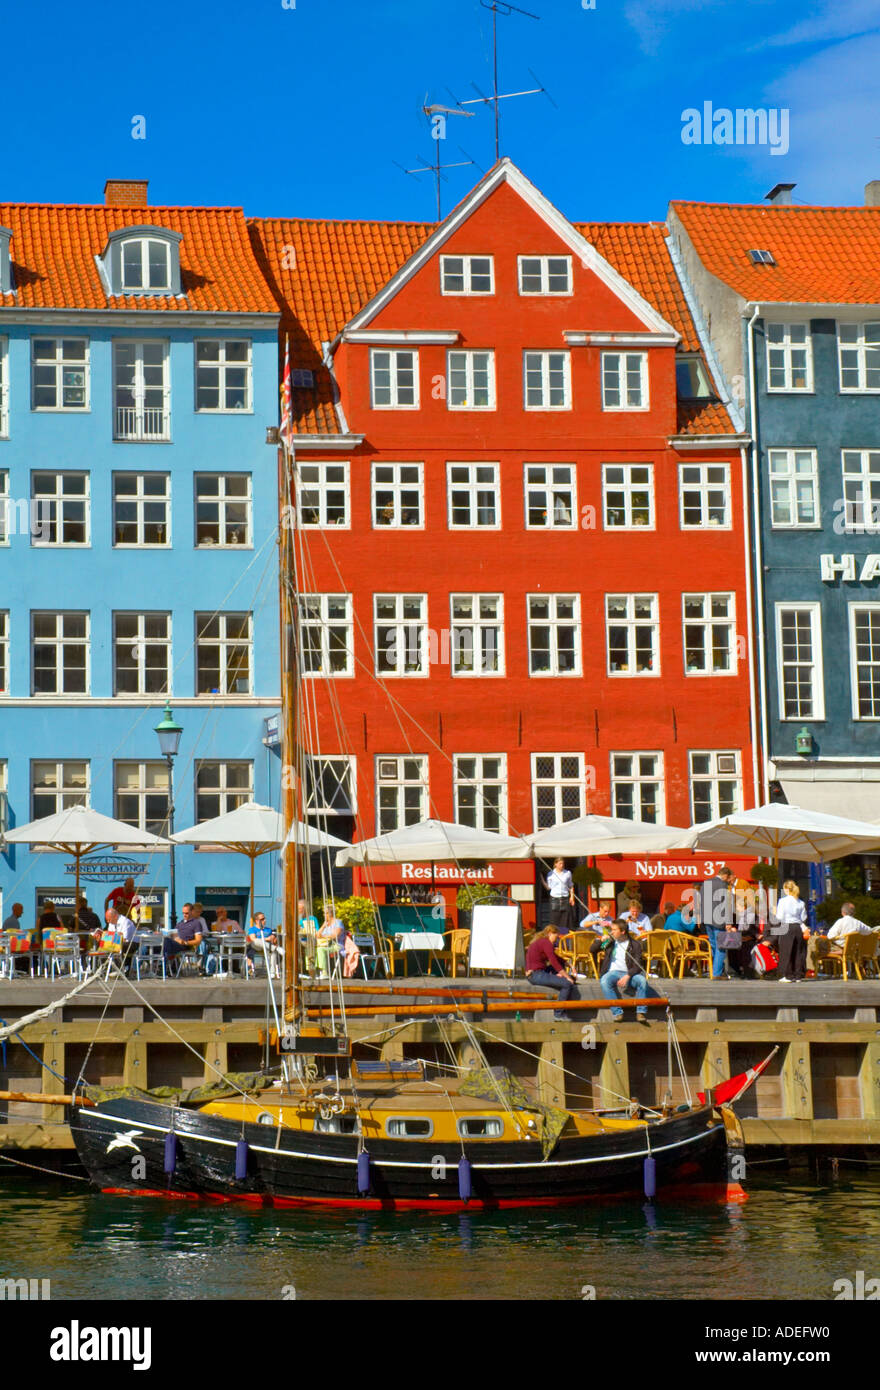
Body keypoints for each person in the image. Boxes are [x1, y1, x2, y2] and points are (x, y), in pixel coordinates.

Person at [590, 921, 657, 1024]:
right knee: (604, 981)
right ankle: (617, 1013)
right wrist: (600, 940)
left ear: (622, 931)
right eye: (611, 930)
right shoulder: (610, 942)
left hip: (629, 973)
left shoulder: (635, 945)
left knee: (642, 981)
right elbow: (593, 950)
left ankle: (641, 1012)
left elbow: (638, 965)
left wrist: (628, 975)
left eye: (614, 930)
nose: (611, 932)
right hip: (612, 972)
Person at [525, 924, 581, 1021]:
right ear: (550, 933)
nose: (557, 939)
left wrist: (570, 965)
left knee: (561, 973)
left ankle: (558, 977)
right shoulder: (546, 943)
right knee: (567, 984)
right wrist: (567, 977)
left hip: (535, 973)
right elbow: (554, 962)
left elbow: (556, 958)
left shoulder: (541, 942)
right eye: (556, 936)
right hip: (536, 974)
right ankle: (558, 1014)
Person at [807, 902, 873, 975]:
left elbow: (830, 936)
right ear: (854, 913)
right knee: (815, 944)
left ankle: (811, 970)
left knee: (813, 941)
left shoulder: (841, 921)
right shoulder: (858, 923)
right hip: (852, 950)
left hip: (839, 948)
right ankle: (819, 970)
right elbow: (869, 931)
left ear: (843, 912)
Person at [697, 864, 737, 979]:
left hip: (707, 919)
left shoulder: (705, 883)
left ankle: (715, 970)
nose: (729, 881)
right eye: (729, 878)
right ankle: (716, 973)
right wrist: (729, 922)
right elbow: (727, 905)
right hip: (719, 920)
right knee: (721, 946)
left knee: (714, 945)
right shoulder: (723, 885)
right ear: (725, 875)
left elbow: (700, 901)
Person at [774, 879, 808, 982]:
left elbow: (779, 917)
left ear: (786, 889)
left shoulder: (783, 901)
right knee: (798, 952)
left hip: (787, 926)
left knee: (786, 951)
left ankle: (788, 975)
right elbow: (803, 917)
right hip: (797, 927)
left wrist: (775, 912)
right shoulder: (800, 902)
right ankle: (798, 975)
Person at [163, 902, 206, 971]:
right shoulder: (180, 923)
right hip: (174, 943)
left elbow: (198, 940)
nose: (184, 915)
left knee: (166, 942)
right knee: (159, 943)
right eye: (183, 913)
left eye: (186, 913)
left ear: (192, 912)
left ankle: (165, 968)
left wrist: (185, 942)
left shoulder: (196, 923)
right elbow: (174, 933)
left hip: (184, 946)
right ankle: (160, 967)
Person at [544, 858, 575, 935]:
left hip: (565, 897)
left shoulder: (567, 873)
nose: (562, 865)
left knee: (566, 919)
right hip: (555, 898)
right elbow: (548, 887)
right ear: (556, 864)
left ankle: (564, 937)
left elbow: (571, 885)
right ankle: (554, 938)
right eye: (560, 863)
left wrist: (572, 897)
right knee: (554, 919)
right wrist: (541, 879)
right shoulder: (550, 874)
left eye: (563, 863)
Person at [105, 906, 138, 973]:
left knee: (119, 946)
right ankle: (107, 969)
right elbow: (108, 936)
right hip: (119, 942)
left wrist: (111, 938)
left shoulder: (125, 922)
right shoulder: (111, 923)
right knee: (104, 946)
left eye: (109, 919)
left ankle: (122, 969)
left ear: (115, 916)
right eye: (107, 920)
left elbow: (124, 939)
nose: (108, 922)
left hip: (133, 943)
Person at [247, 911, 279, 976]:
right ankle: (276, 948)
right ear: (256, 921)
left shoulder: (269, 930)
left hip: (267, 948)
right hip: (256, 947)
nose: (264, 920)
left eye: (264, 918)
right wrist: (267, 939)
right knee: (256, 941)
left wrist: (273, 938)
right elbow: (253, 939)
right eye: (262, 919)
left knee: (273, 952)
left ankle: (272, 972)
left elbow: (274, 940)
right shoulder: (252, 929)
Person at [316, 905, 343, 976]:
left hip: (336, 945)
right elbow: (318, 935)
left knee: (320, 950)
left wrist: (324, 936)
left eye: (325, 913)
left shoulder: (338, 922)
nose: (324, 915)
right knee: (313, 949)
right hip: (326, 944)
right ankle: (315, 972)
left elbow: (335, 935)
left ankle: (324, 972)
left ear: (329, 914)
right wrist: (323, 926)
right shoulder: (326, 923)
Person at [298, 898, 319, 974]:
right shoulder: (297, 919)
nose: (299, 910)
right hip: (298, 940)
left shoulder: (312, 919)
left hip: (308, 939)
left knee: (309, 944)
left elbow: (316, 930)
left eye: (301, 908)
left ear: (305, 909)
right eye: (298, 908)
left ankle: (311, 969)